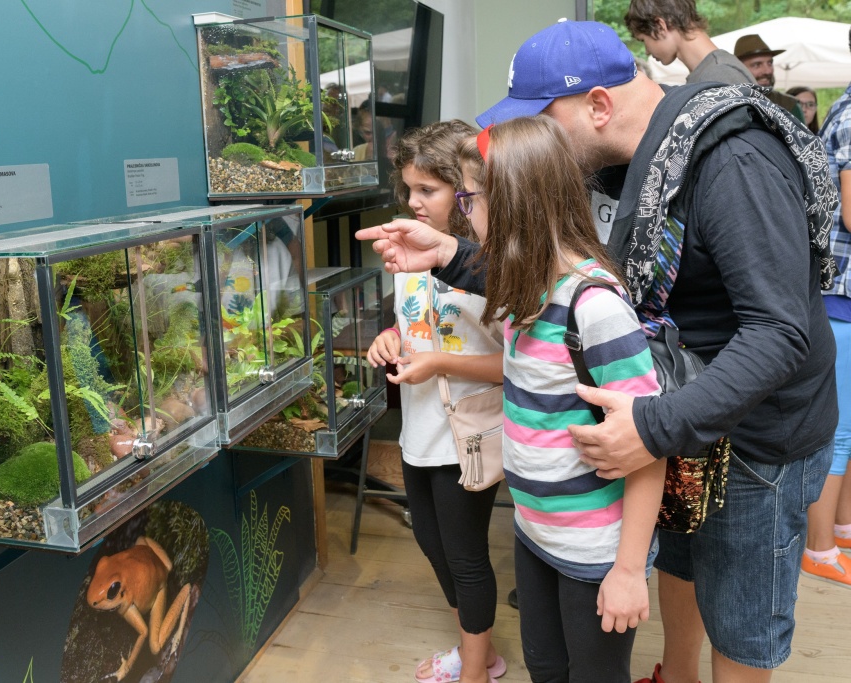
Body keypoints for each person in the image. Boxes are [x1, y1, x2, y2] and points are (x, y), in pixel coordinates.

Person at [359, 20, 838, 683]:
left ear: (599, 106)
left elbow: (779, 332)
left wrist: (650, 428)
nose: (539, 145)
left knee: (741, 625)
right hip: (684, 417)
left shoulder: (733, 159)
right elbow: (556, 279)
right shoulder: (625, 161)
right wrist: (450, 256)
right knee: (681, 563)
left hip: (756, 434)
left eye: (545, 122)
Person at [469, 116, 665, 682]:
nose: (466, 213)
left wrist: (628, 570)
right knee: (547, 668)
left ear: (512, 201)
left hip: (596, 553)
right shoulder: (523, 292)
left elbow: (649, 442)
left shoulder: (595, 308)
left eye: (470, 198)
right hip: (534, 533)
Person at [365, 119, 507, 683]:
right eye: (408, 190)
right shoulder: (407, 254)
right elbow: (413, 327)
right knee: (431, 542)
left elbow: (516, 364)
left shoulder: (495, 265)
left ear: (465, 189)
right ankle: (480, 652)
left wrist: (442, 362)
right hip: (418, 432)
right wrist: (391, 338)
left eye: (428, 190)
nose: (414, 202)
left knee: (466, 554)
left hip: (466, 434)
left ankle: (476, 671)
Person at [801, 39, 851, 587]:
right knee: (838, 430)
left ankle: (840, 529)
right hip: (840, 296)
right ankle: (818, 548)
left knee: (850, 428)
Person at [624, 0, 753, 84]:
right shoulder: (711, 73)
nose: (647, 51)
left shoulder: (720, 76)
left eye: (643, 40)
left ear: (660, 26)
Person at [734, 34, 805, 120]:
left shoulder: (789, 105)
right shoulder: (726, 104)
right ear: (739, 68)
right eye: (757, 65)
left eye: (769, 63)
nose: (768, 71)